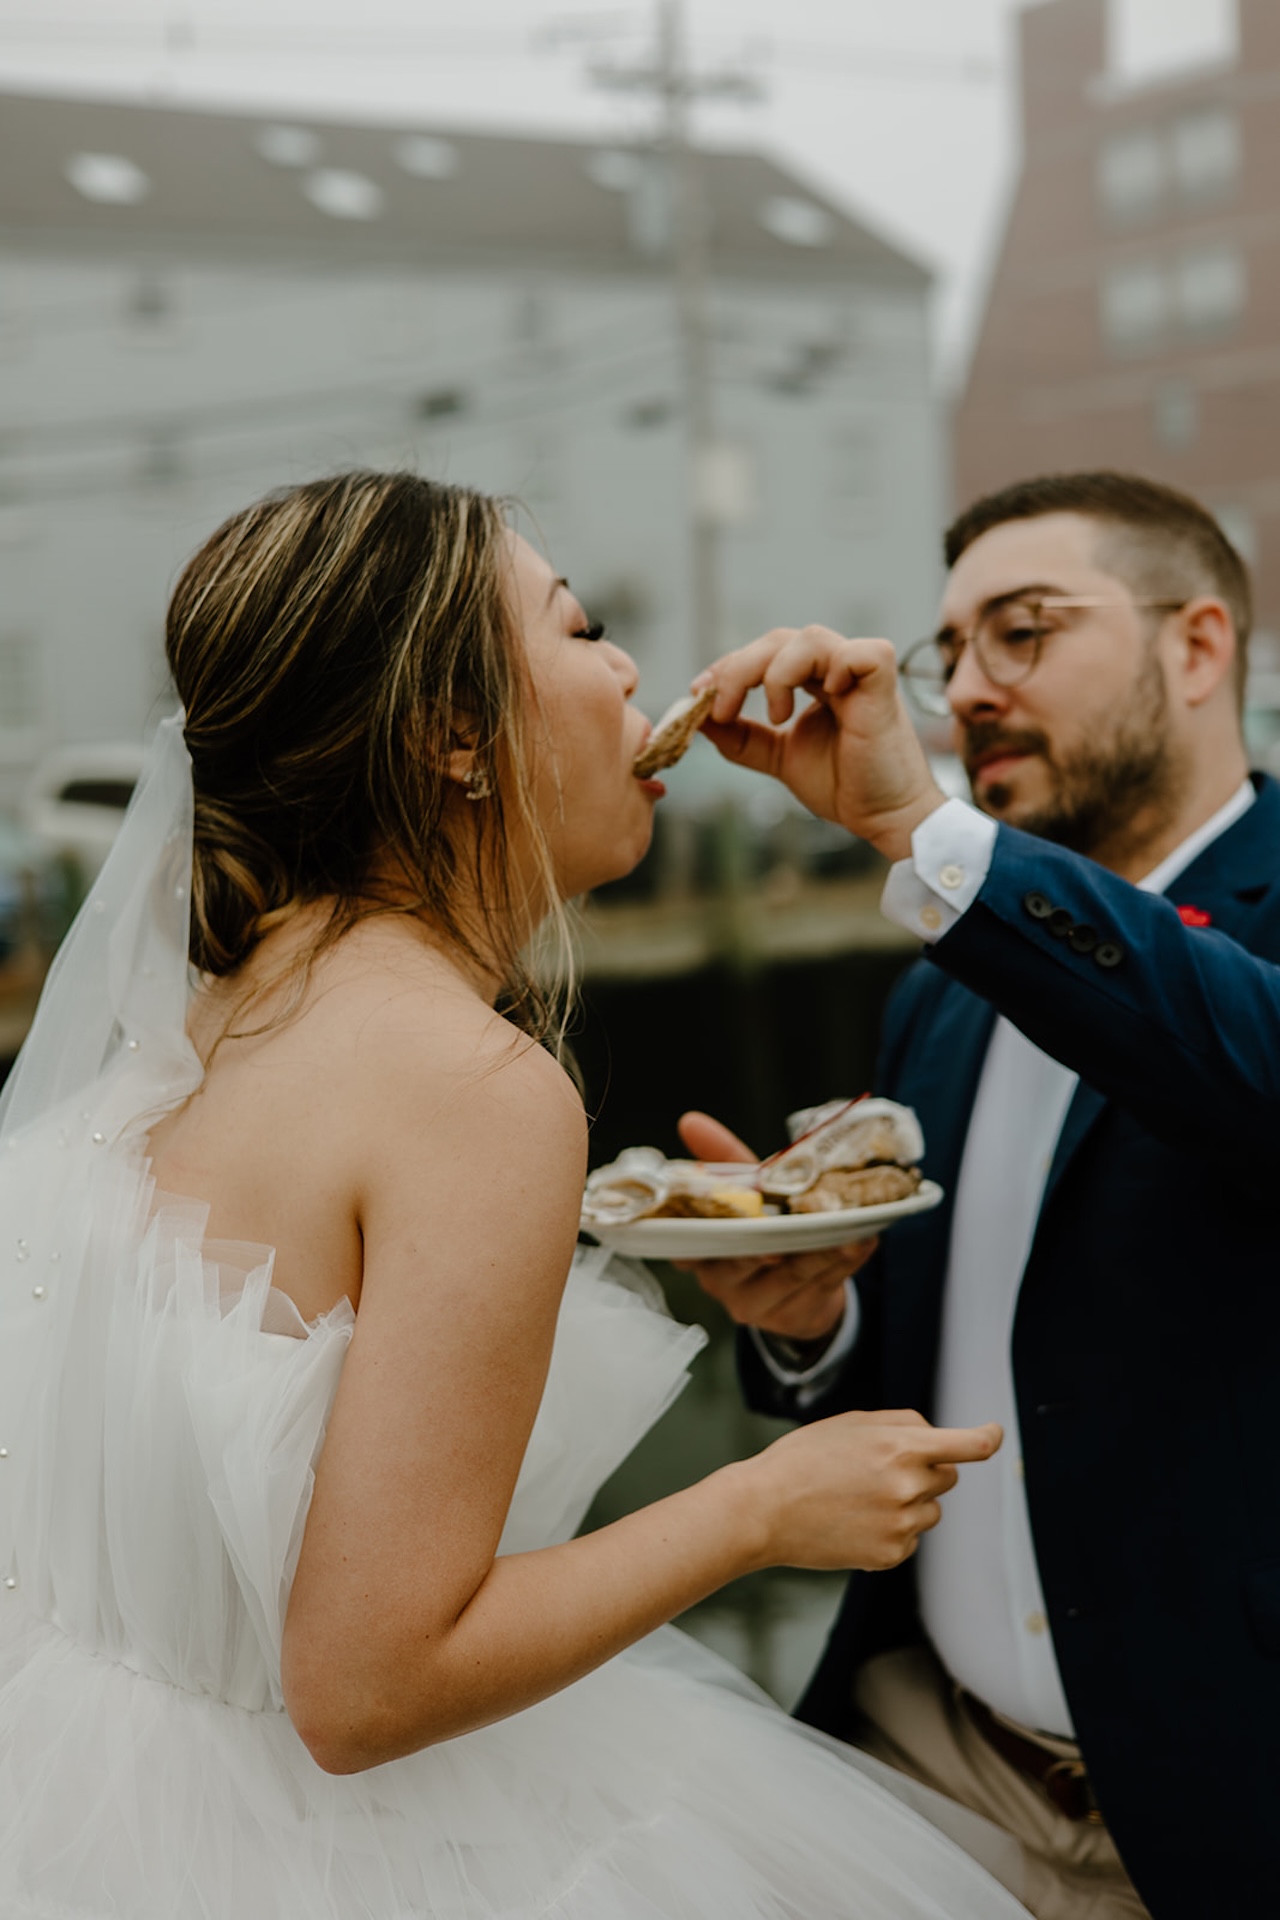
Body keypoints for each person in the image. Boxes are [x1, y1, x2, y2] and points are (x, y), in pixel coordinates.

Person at [0, 470, 1034, 1919]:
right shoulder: (473, 1089)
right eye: (581, 626)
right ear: (454, 738)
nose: (629, 669)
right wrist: (759, 1506)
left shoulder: (208, 1014)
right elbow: (368, 1686)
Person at [676, 471, 1280, 1920]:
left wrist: (922, 833)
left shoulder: (965, 896)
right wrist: (811, 1319)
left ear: (1197, 649)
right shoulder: (940, 989)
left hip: (1229, 1809)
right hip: (931, 1773)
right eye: (954, 654)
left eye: (1023, 633)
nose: (970, 694)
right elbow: (927, 1365)